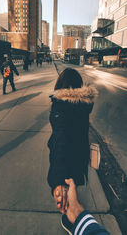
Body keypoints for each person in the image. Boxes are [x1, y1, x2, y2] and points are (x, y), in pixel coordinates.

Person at [47, 68, 98, 228]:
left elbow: (60, 139)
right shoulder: (83, 104)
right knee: (74, 190)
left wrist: (58, 180)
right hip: (79, 154)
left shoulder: (61, 106)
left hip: (65, 160)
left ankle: (74, 223)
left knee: (68, 196)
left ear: (60, 85)